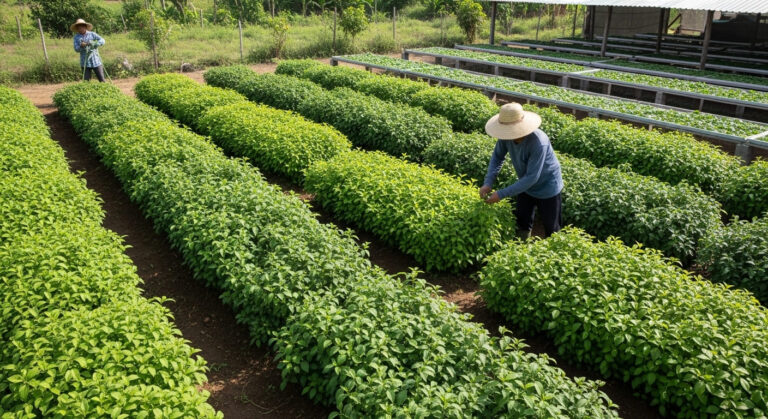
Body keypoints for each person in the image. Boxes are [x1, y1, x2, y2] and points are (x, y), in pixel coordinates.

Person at [479, 102, 563, 239]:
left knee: (551, 228)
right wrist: (488, 182)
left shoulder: (538, 143)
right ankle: (522, 248)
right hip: (525, 184)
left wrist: (501, 194)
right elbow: (497, 157)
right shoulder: (506, 138)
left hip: (547, 186)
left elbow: (532, 177)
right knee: (522, 221)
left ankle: (553, 254)